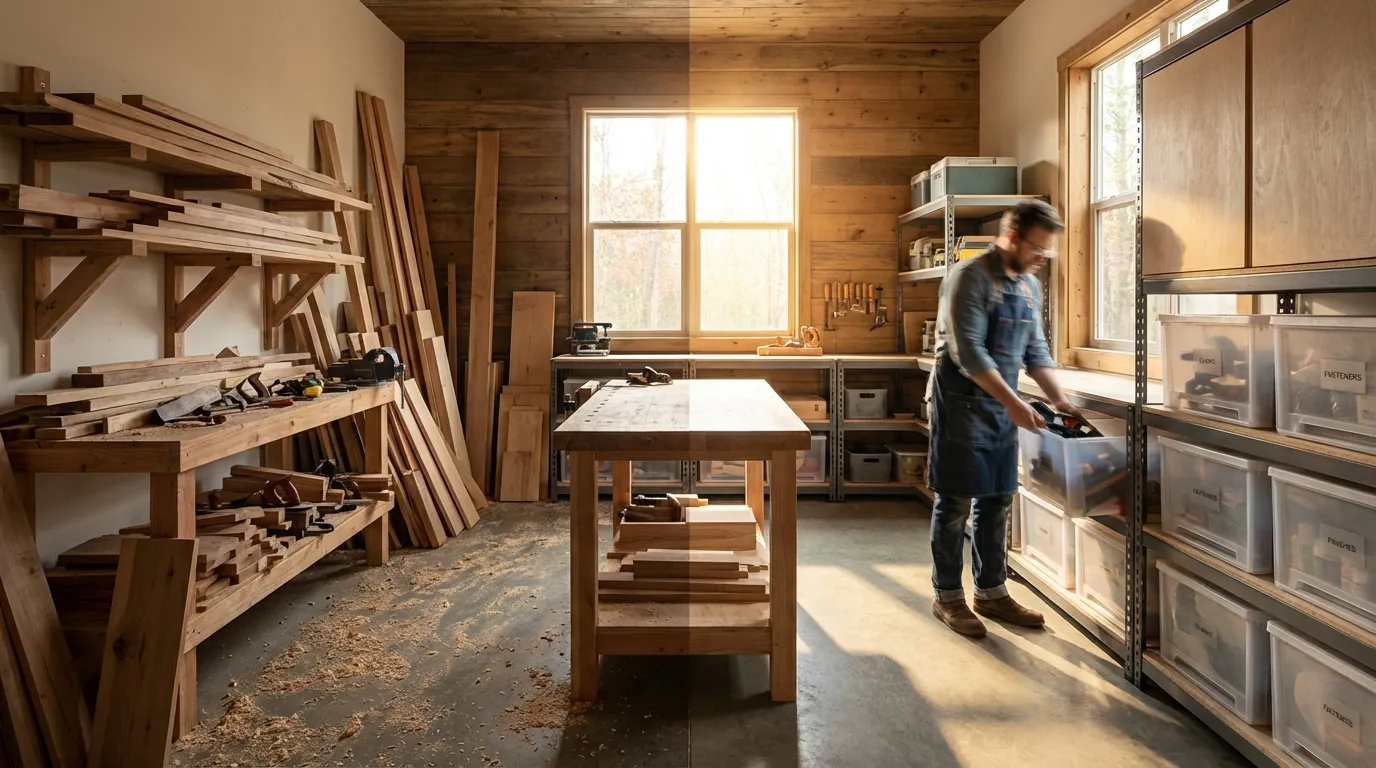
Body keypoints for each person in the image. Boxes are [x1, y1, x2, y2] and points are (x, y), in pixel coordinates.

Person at [925, 199, 1078, 638]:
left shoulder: (1030, 286)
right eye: (1036, 248)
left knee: (997, 501)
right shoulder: (969, 278)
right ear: (1012, 237)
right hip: (961, 405)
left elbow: (1035, 352)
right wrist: (1013, 402)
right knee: (954, 504)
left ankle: (991, 593)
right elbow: (968, 350)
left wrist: (1060, 400)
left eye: (1047, 252)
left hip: (999, 407)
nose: (1040, 258)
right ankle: (948, 597)